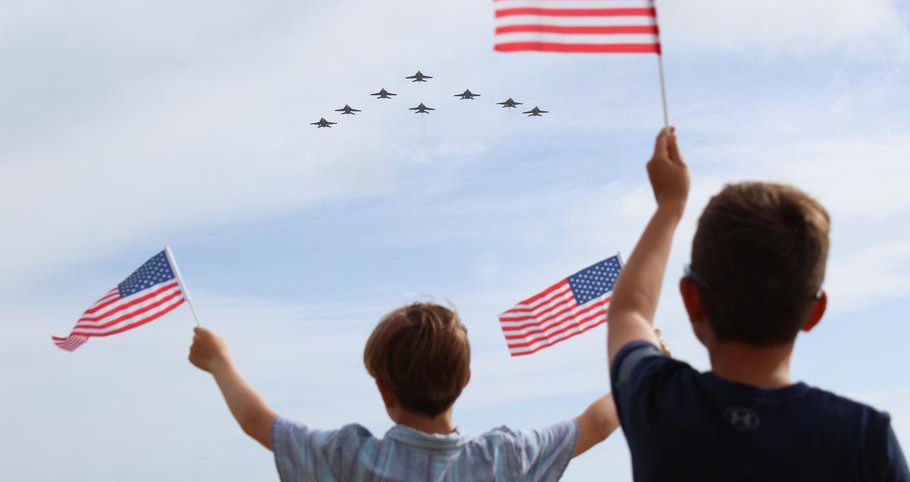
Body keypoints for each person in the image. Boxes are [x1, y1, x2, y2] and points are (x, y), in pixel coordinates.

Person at [606, 127, 910, 481]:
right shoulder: (865, 437)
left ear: (691, 299)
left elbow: (630, 311)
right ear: (815, 312)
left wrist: (670, 206)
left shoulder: (661, 404)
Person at [189, 302, 619, 481]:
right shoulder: (503, 458)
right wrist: (643, 363)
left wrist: (219, 362)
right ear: (466, 379)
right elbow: (597, 423)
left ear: (384, 390)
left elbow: (257, 423)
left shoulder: (351, 460)